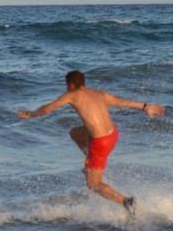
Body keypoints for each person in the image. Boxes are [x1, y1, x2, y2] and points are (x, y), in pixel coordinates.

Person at [17, 70, 164, 214]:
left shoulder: (72, 95)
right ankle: (89, 158)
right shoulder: (98, 93)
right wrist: (145, 107)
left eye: (67, 85)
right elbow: (121, 102)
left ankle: (126, 202)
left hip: (100, 143)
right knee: (75, 133)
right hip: (112, 135)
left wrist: (30, 114)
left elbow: (48, 108)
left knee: (93, 184)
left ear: (70, 85)